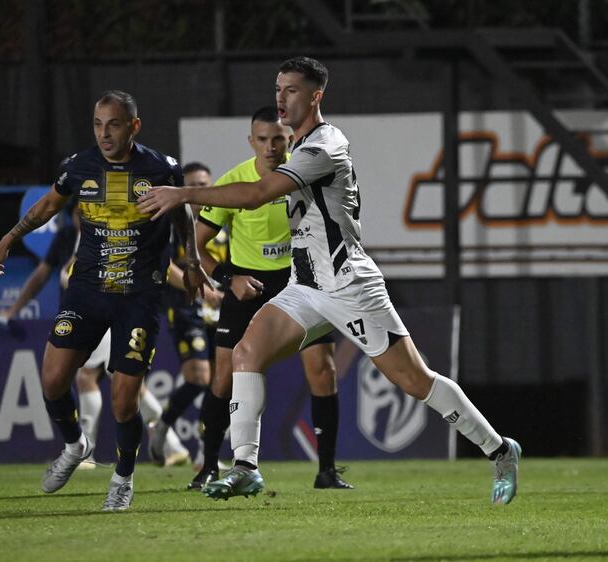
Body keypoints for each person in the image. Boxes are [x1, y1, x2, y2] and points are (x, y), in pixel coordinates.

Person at [138, 57, 522, 505]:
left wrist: (183, 192)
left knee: (414, 380)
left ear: (315, 96)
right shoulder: (297, 145)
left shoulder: (324, 146)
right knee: (246, 352)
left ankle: (500, 449)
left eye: (292, 90)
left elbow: (259, 194)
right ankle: (245, 466)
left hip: (349, 285)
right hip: (307, 287)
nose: (281, 97)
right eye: (278, 88)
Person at [0, 90, 205, 512]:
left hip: (139, 295)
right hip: (86, 290)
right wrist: (8, 239)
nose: (105, 134)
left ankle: (123, 478)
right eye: (98, 124)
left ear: (133, 126)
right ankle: (74, 444)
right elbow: (49, 204)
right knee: (52, 380)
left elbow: (182, 214)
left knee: (125, 401)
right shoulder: (78, 166)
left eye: (114, 124)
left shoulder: (161, 168)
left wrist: (192, 260)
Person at [185, 106, 352, 491]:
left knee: (323, 369)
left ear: (290, 138)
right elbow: (197, 246)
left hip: (301, 282)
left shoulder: (302, 173)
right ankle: (209, 464)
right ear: (251, 142)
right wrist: (230, 278)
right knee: (223, 377)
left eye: (279, 138)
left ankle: (326, 470)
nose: (272, 146)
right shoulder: (235, 181)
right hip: (247, 287)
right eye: (263, 139)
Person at [0, 205, 189, 466]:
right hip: (85, 315)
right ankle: (171, 444)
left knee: (89, 376)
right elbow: (44, 273)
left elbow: (70, 274)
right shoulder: (67, 236)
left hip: (104, 313)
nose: (83, 216)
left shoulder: (112, 233)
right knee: (129, 386)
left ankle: (86, 451)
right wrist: (15, 309)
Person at [147, 162, 226, 467]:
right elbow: (165, 266)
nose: (200, 192)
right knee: (199, 378)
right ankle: (163, 427)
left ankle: (206, 453)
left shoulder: (220, 220)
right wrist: (202, 289)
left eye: (205, 185)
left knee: (221, 382)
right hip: (186, 307)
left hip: (220, 308)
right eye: (193, 185)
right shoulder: (172, 222)